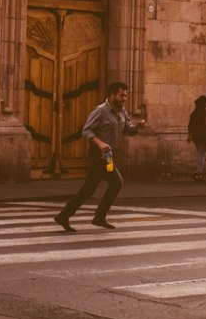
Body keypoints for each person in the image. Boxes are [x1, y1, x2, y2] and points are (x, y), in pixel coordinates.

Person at [54, 82, 146, 232]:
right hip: (98, 156)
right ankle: (84, 216)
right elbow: (87, 130)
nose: (124, 98)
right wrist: (100, 144)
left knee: (107, 185)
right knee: (98, 187)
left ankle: (75, 216)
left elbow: (127, 130)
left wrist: (137, 127)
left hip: (108, 156)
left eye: (125, 96)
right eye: (121, 95)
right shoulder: (100, 111)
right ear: (111, 95)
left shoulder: (122, 111)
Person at [187, 95, 206, 181]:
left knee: (200, 153)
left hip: (196, 136)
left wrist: (189, 136)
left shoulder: (193, 114)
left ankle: (199, 172)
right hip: (204, 136)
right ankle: (199, 172)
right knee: (202, 155)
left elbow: (190, 126)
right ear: (204, 104)